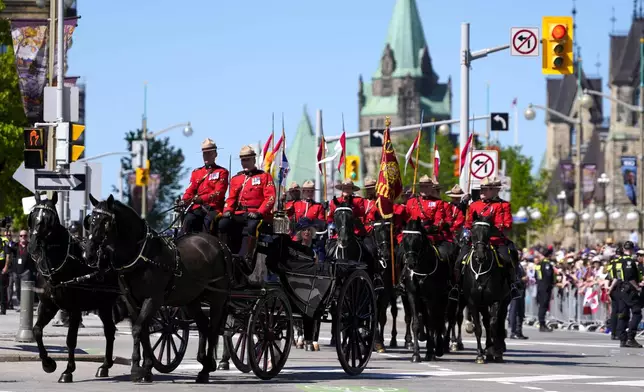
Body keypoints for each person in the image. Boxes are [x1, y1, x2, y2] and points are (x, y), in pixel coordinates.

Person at [458, 176, 520, 299]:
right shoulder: (474, 205)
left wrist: (495, 229)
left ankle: (512, 284)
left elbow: (507, 224)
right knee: (459, 260)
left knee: (509, 259)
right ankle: (457, 287)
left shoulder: (503, 205)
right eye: (481, 189)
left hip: (495, 241)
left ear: (493, 190)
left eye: (486, 189)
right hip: (476, 242)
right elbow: (468, 224)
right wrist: (468, 233)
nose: (482, 191)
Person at [219, 145, 276, 264]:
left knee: (251, 226)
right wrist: (228, 210)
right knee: (223, 223)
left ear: (254, 160)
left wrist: (259, 212)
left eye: (247, 159)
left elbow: (270, 197)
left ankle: (247, 257)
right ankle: (224, 255)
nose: (244, 162)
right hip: (239, 213)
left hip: (256, 214)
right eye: (242, 160)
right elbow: (231, 198)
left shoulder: (264, 176)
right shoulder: (236, 178)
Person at [181, 138, 229, 235]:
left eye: (209, 153)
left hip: (212, 208)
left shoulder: (222, 172)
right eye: (204, 153)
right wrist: (184, 200)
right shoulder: (197, 172)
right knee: (188, 220)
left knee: (208, 223)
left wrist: (202, 199)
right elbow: (190, 190)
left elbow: (219, 193)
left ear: (215, 154)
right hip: (197, 208)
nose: (206, 156)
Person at [613, 241, 642, 348]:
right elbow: (630, 277)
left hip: (620, 289)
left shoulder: (618, 260)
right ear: (632, 249)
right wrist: (637, 287)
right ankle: (631, 337)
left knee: (623, 315)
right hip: (629, 290)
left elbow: (615, 276)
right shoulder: (629, 261)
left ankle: (622, 339)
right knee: (637, 312)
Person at [534, 255, 556, 332]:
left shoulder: (538, 265)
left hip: (540, 286)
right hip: (545, 288)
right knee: (543, 306)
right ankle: (542, 324)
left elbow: (536, 277)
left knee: (542, 306)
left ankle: (542, 323)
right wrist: (551, 284)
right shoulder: (546, 264)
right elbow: (548, 275)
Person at [509, 259, 529, 339]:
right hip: (515, 290)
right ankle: (513, 332)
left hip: (521, 290)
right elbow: (513, 279)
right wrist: (521, 280)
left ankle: (519, 331)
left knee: (521, 312)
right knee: (514, 311)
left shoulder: (519, 265)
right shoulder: (512, 265)